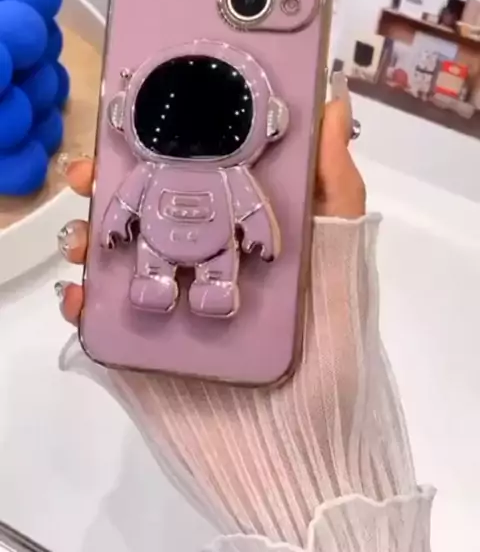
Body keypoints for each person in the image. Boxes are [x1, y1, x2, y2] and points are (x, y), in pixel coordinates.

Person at [56, 73, 435, 551]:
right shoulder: (163, 172)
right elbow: (126, 202)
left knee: (215, 272)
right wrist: (115, 224)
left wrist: (262, 236)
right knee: (159, 269)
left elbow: (251, 210)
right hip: (161, 244)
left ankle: (207, 285)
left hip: (212, 248)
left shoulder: (226, 174)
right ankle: (164, 282)